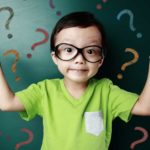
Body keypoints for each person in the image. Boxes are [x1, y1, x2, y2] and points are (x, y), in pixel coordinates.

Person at [0, 11, 150, 150]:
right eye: (68, 50)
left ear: (100, 60)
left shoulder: (106, 91)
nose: (79, 59)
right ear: (55, 57)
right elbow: (7, 104)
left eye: (90, 51)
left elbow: (145, 107)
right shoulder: (44, 91)